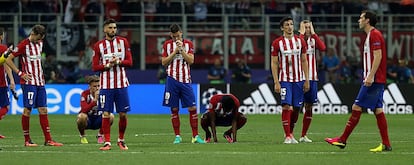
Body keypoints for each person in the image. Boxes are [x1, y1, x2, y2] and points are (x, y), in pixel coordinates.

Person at [325, 10, 392, 152]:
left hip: (373, 79)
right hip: (375, 79)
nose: (358, 20)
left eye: (361, 18)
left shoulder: (374, 35)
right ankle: (386, 144)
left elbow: (378, 56)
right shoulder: (370, 35)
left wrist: (370, 76)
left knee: (356, 107)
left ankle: (342, 140)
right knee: (377, 109)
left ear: (367, 20)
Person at [5, 24, 63, 147]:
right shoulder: (23, 45)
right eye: (37, 38)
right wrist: (20, 73)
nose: (38, 41)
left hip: (40, 82)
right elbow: (8, 59)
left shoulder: (40, 44)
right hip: (29, 83)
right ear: (34, 34)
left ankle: (48, 140)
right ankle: (27, 140)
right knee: (28, 110)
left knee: (43, 109)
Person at [92, 18, 132, 151]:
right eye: (110, 28)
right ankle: (107, 142)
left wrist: (119, 62)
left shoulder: (123, 41)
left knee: (123, 114)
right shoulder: (99, 46)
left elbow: (130, 62)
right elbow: (95, 67)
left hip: (121, 84)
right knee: (106, 114)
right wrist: (107, 65)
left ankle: (121, 140)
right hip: (106, 85)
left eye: (114, 27)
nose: (113, 30)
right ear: (104, 29)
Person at [161, 23, 205, 144]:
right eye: (173, 36)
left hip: (185, 80)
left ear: (181, 33)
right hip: (172, 79)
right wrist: (175, 51)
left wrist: (182, 51)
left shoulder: (189, 44)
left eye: (178, 35)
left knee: (193, 107)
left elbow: (191, 61)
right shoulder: (166, 45)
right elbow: (164, 62)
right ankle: (177, 136)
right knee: (174, 108)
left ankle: (195, 136)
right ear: (171, 35)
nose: (176, 38)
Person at [271, 16, 309, 144]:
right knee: (287, 106)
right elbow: (274, 63)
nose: (289, 27)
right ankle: (287, 136)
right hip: (285, 80)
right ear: (282, 27)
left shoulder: (300, 41)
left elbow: (304, 61)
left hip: (299, 80)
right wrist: (276, 82)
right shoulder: (277, 43)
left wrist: (307, 80)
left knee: (297, 108)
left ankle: (291, 133)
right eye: (286, 24)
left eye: (291, 24)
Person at [297, 20, 326, 143]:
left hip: (312, 77)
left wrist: (314, 33)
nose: (308, 29)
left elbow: (323, 48)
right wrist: (302, 33)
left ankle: (303, 135)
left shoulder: (314, 40)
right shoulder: (297, 39)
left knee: (309, 106)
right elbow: (298, 47)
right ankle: (289, 134)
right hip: (298, 77)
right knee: (295, 107)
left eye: (309, 27)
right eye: (305, 27)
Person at [77, 75, 114, 144]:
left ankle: (100, 135)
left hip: (99, 120)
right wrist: (95, 101)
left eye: (98, 86)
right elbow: (84, 109)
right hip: (88, 120)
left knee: (111, 116)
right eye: (94, 86)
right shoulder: (85, 94)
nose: (97, 88)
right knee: (81, 117)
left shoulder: (104, 94)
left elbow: (108, 109)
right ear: (89, 86)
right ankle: (83, 136)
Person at [0, 28, 16, 139]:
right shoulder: (3, 48)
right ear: (1, 36)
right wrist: (12, 80)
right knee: (5, 107)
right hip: (1, 83)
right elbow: (6, 65)